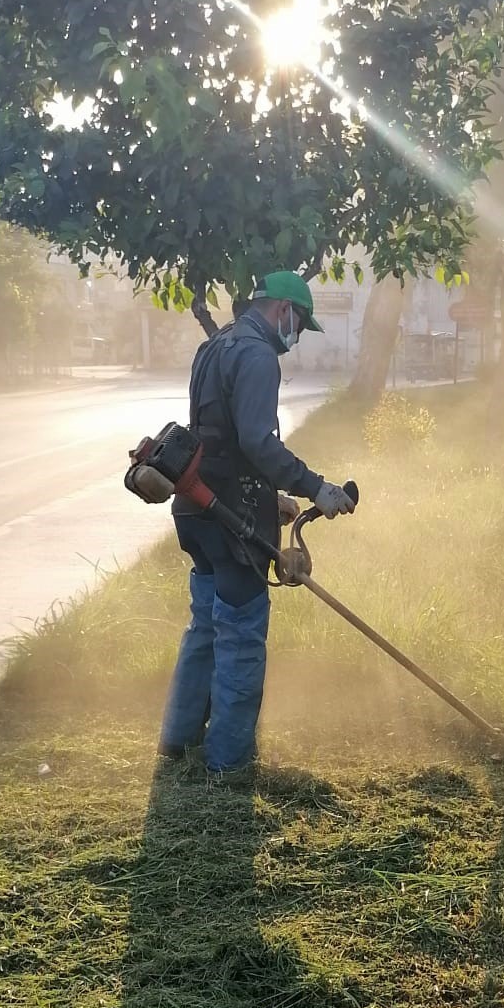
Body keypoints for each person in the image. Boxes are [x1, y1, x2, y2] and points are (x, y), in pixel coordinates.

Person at [159, 270, 357, 773]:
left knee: (205, 625)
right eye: (299, 323)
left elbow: (218, 438)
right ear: (282, 310)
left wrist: (276, 501)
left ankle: (178, 741)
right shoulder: (257, 354)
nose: (295, 337)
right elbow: (257, 442)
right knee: (242, 634)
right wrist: (315, 489)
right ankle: (228, 763)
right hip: (231, 516)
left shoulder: (216, 345)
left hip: (195, 507)